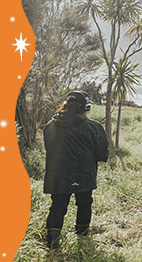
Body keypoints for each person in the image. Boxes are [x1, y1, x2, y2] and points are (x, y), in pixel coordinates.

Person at [43, 91, 109, 249]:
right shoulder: (94, 127)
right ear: (86, 107)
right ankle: (83, 240)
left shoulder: (50, 125)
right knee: (85, 204)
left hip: (57, 175)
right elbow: (103, 154)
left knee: (57, 206)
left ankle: (53, 245)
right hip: (84, 174)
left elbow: (48, 147)